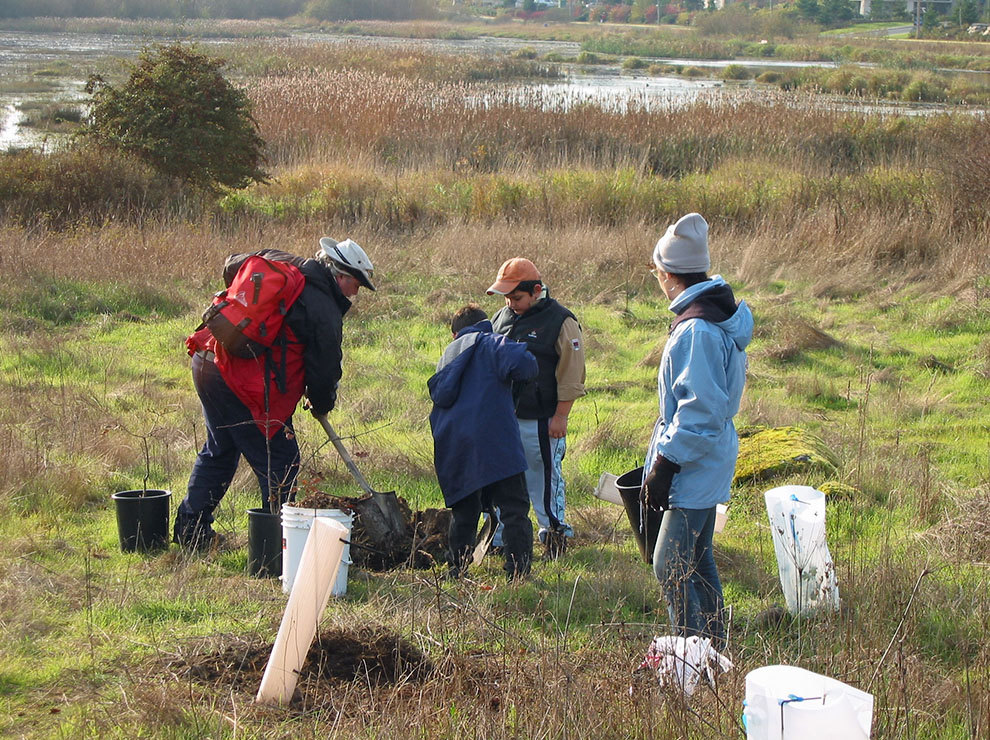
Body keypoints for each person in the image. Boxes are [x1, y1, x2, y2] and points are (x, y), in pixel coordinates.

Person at [174, 237, 376, 550]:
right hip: (241, 382)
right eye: (356, 284)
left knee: (221, 450)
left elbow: (232, 264)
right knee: (281, 462)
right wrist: (322, 401)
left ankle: (191, 532)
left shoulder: (280, 261)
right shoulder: (324, 308)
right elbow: (324, 372)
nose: (356, 292)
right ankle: (278, 547)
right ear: (340, 275)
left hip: (208, 361)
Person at [643, 213, 752, 649]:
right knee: (697, 555)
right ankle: (715, 649)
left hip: (694, 462)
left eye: (657, 272)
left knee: (669, 563)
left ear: (668, 274)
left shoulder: (698, 330)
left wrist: (666, 464)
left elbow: (700, 412)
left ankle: (692, 655)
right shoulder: (712, 315)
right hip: (707, 457)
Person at [428, 304, 538, 580]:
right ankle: (518, 573)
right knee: (514, 507)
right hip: (495, 438)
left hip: (453, 443)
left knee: (465, 510)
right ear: (484, 325)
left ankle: (458, 569)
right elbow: (526, 364)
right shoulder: (490, 342)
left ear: (454, 334)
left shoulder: (447, 357)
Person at [487, 258, 586, 559]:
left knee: (545, 477)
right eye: (506, 297)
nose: (510, 303)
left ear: (536, 290)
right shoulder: (500, 318)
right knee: (501, 476)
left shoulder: (561, 321)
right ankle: (499, 537)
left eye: (516, 297)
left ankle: (554, 535)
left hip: (542, 418)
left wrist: (560, 416)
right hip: (504, 418)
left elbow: (571, 373)